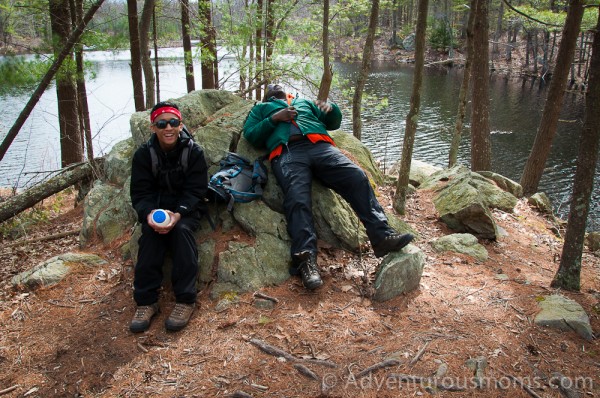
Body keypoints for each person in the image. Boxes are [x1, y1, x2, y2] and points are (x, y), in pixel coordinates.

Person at [243, 84, 414, 290]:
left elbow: (333, 122)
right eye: (271, 87)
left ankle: (381, 235)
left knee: (357, 176)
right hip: (288, 151)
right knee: (297, 197)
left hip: (321, 147)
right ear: (268, 97)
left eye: (278, 84)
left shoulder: (303, 102)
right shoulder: (261, 109)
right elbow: (250, 134)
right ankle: (306, 261)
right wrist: (274, 118)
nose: (275, 85)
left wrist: (331, 108)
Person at [129, 101, 209, 333]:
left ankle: (185, 301)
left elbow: (197, 190)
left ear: (180, 124)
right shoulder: (144, 155)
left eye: (173, 122)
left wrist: (179, 213)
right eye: (162, 123)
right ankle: (146, 302)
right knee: (149, 238)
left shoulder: (194, 152)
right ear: (153, 127)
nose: (168, 128)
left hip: (186, 210)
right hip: (156, 211)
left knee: (182, 232)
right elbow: (140, 193)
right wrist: (150, 214)